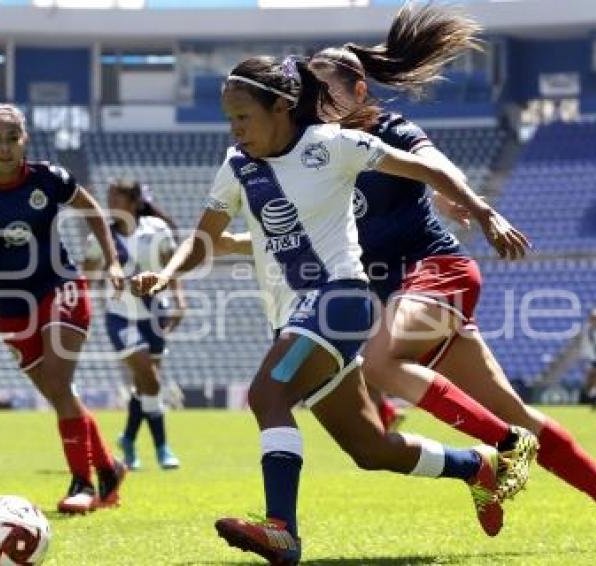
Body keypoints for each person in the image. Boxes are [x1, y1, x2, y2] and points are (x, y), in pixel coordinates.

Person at [132, 55, 538, 565]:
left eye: (243, 118)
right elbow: (202, 239)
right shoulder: (237, 166)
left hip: (340, 300)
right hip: (294, 319)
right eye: (230, 120)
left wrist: (482, 211)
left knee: (267, 392)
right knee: (371, 450)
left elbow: (427, 167)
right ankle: (478, 467)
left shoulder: (335, 145)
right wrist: (167, 276)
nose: (235, 131)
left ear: (281, 107)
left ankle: (282, 531)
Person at [302, 3, 596, 552]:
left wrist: (476, 206)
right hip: (401, 293)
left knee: (383, 361)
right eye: (307, 93)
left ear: (359, 91)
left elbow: (441, 166)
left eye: (322, 91)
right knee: (514, 411)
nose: (311, 104)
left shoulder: (393, 130)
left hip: (438, 273)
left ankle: (500, 451)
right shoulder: (320, 151)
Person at [0, 104, 127, 514]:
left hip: (60, 285)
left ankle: (82, 484)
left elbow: (93, 212)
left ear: (26, 140)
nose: (4, 148)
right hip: (9, 304)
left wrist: (111, 262)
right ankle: (109, 468)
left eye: (11, 139)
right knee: (60, 396)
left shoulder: (49, 178)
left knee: (58, 381)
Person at [83, 179, 185, 470]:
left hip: (156, 314)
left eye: (117, 199)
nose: (111, 204)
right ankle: (162, 446)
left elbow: (171, 269)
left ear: (134, 202)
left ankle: (128, 439)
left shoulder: (157, 231)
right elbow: (86, 278)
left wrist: (180, 302)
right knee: (150, 379)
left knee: (145, 385)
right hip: (120, 317)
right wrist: (81, 312)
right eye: (109, 198)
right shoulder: (100, 238)